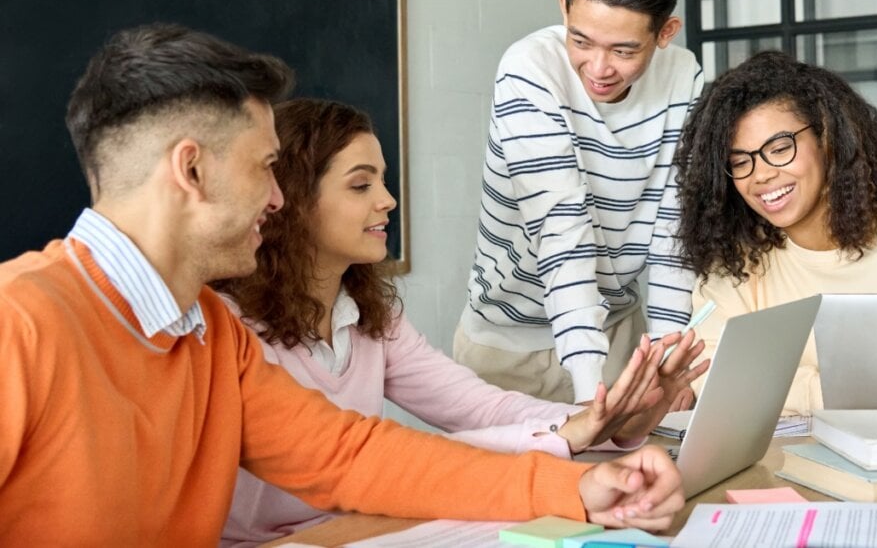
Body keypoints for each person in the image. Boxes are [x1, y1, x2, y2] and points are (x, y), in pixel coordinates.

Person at [0, 23, 687, 545]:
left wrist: (581, 487)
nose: (278, 199)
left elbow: (352, 454)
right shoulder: (17, 323)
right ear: (192, 171)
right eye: (265, 168)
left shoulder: (208, 332)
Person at [217, 98, 708, 546]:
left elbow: (476, 406)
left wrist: (601, 422)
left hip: (364, 526)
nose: (387, 200)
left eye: (383, 181)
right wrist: (568, 434)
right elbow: (371, 456)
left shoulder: (373, 314)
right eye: (361, 185)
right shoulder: (230, 329)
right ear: (293, 201)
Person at [455, 0, 706, 406]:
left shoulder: (684, 77)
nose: (598, 67)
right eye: (582, 40)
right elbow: (561, 233)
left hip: (616, 333)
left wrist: (669, 359)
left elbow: (674, 236)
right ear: (564, 7)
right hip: (509, 346)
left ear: (665, 33)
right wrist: (594, 400)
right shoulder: (529, 71)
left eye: (624, 50)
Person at [673, 50, 877, 417]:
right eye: (740, 162)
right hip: (777, 472)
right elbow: (714, 377)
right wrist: (863, 392)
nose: (760, 175)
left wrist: (781, 387)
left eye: (779, 148)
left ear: (828, 140)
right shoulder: (738, 266)